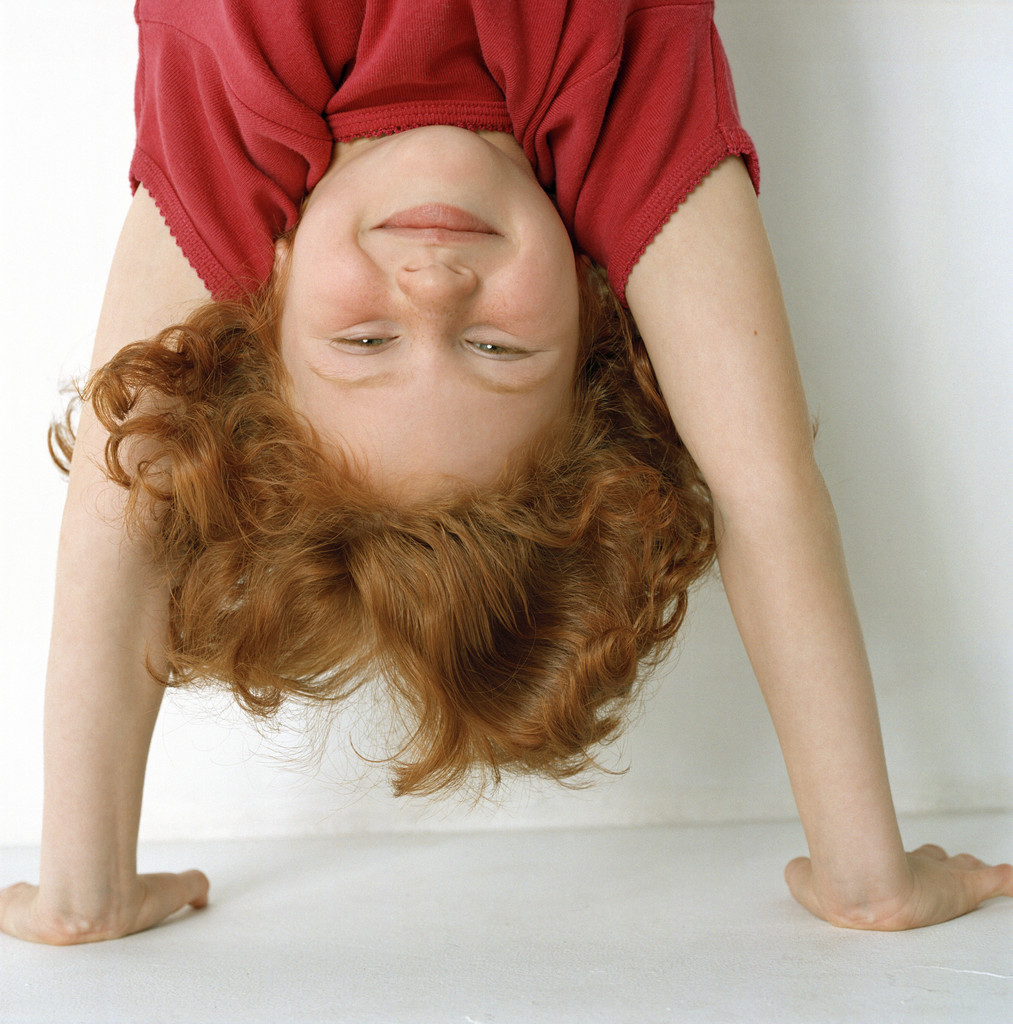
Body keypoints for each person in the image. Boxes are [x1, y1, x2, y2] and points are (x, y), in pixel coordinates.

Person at [1, 0, 1010, 945]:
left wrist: (83, 886)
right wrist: (863, 872)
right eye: (495, 351)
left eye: (362, 341)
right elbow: (760, 484)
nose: (434, 290)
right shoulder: (611, 102)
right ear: (594, 328)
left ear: (262, 301)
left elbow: (120, 491)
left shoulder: (246, 100)